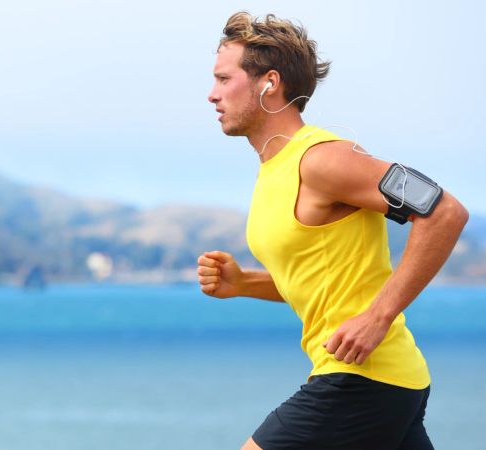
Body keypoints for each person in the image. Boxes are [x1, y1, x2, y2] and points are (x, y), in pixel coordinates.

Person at [197, 11, 469, 450]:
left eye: (223, 79)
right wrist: (245, 283)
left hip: (362, 379)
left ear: (269, 82)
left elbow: (445, 212)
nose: (211, 95)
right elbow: (325, 279)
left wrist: (377, 318)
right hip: (388, 381)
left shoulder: (325, 158)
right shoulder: (275, 169)